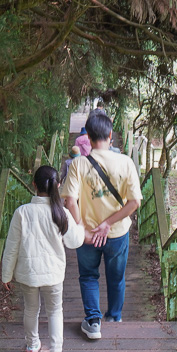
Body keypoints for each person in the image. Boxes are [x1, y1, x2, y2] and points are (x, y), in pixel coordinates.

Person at [61, 113, 142, 340]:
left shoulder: (78, 164)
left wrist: (81, 230)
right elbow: (134, 202)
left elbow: (69, 200)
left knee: (88, 276)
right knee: (116, 277)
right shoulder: (125, 162)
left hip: (87, 236)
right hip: (116, 234)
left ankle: (93, 321)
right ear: (109, 135)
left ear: (87, 136)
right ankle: (114, 318)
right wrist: (108, 224)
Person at [1, 166, 85, 352]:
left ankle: (32, 347)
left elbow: (11, 247)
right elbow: (74, 242)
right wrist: (80, 224)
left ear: (34, 185)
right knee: (55, 311)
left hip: (28, 273)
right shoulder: (61, 213)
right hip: (53, 273)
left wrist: (6, 274)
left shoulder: (22, 212)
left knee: (31, 310)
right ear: (58, 186)